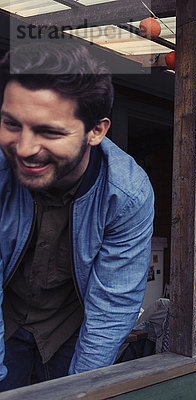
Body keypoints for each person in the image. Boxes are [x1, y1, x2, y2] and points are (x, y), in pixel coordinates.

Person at [0, 42, 154, 390]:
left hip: (73, 330)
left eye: (49, 131)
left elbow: (114, 304)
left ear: (96, 131)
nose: (24, 148)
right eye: (11, 123)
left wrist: (80, 389)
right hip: (5, 321)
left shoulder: (128, 192)